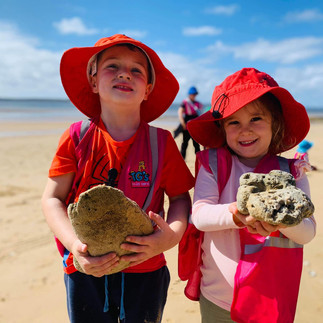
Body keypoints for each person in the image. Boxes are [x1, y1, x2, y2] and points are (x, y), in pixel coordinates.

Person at [41, 34, 194, 323]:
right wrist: (75, 245)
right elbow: (52, 199)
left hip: (145, 267)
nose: (125, 73)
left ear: (147, 89)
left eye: (137, 70)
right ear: (94, 81)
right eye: (113, 66)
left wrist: (170, 237)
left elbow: (180, 198)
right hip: (86, 266)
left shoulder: (160, 142)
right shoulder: (76, 137)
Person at [183, 68, 316, 322]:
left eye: (256, 119)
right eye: (234, 122)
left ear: (275, 123)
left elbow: (308, 232)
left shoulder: (291, 172)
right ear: (222, 127)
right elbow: (199, 216)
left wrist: (280, 218)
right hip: (218, 294)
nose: (245, 130)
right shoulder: (213, 165)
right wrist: (239, 213)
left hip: (271, 295)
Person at [176, 86, 203, 159]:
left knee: (196, 145)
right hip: (186, 125)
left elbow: (200, 115)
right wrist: (182, 123)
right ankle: (182, 161)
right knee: (185, 143)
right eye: (193, 94)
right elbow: (180, 112)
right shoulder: (185, 102)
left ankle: (200, 160)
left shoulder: (198, 104)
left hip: (194, 126)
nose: (194, 96)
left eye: (195, 94)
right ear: (189, 94)